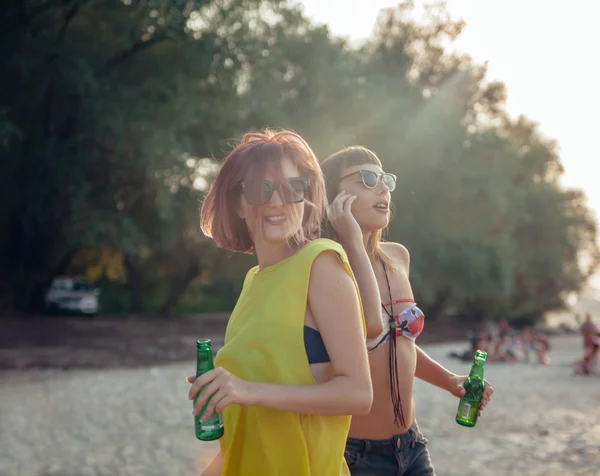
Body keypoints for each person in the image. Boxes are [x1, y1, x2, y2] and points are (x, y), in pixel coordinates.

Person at [187, 130, 381, 476]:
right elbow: (247, 431)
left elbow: (358, 393)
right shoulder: (253, 282)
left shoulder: (321, 264)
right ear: (239, 204)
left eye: (293, 188)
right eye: (262, 189)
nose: (277, 201)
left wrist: (249, 390)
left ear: (307, 197)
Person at [321, 146, 495, 475]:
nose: (383, 188)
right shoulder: (326, 266)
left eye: (385, 179)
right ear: (332, 194)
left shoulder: (397, 257)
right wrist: (353, 242)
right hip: (352, 454)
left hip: (411, 446)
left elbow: (399, 343)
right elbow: (364, 335)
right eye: (367, 178)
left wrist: (450, 380)